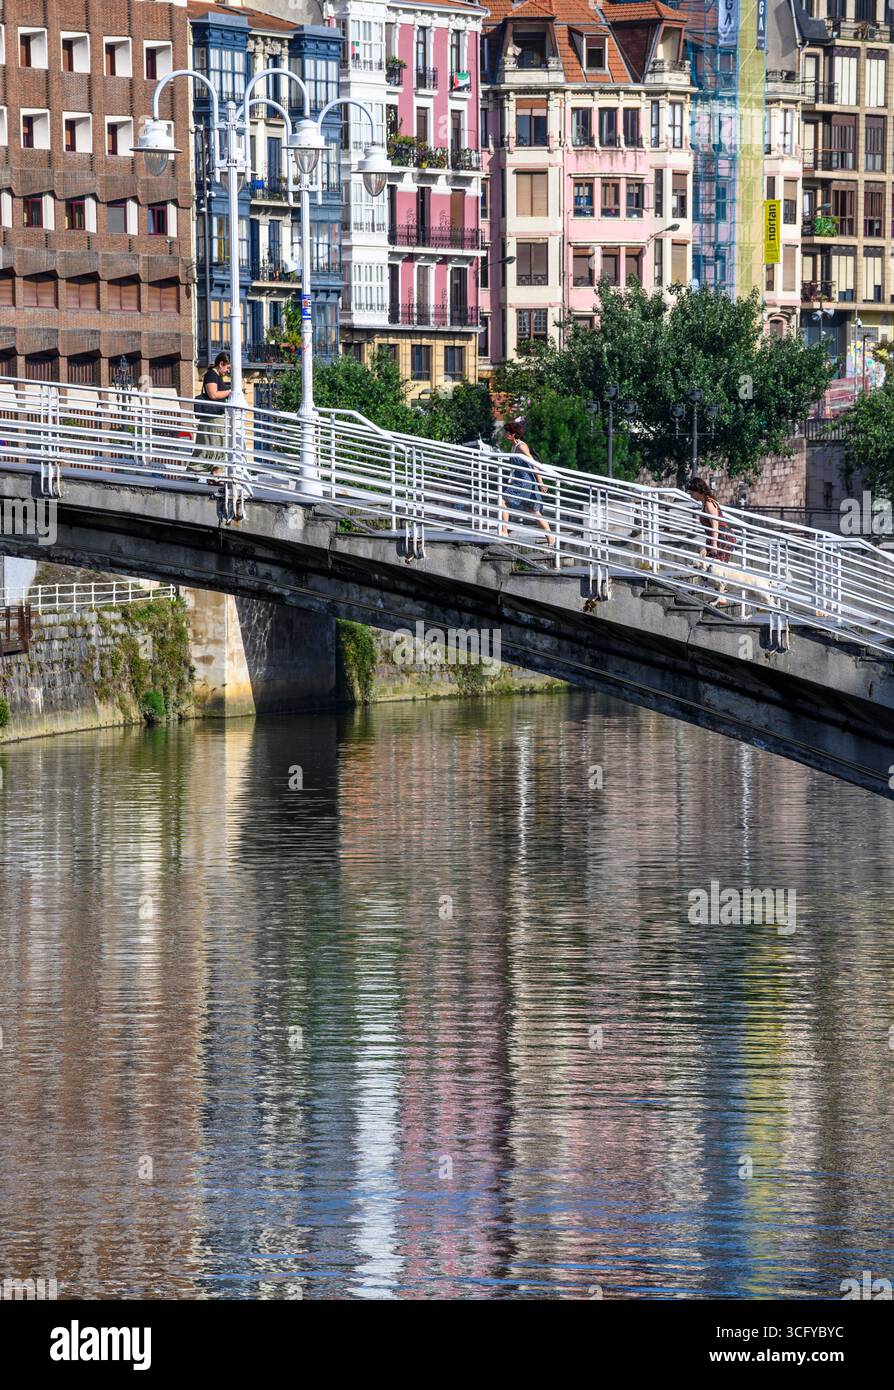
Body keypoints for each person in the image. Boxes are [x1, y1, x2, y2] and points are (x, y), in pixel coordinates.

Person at [499, 419, 554, 547]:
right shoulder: (514, 446)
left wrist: (541, 482)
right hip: (522, 481)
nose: (505, 434)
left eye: (507, 432)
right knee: (534, 511)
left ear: (513, 434)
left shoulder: (521, 446)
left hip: (525, 482)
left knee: (503, 500)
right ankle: (551, 538)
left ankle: (504, 531)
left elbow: (534, 464)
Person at [193, 353, 231, 474]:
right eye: (227, 367)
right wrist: (230, 391)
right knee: (214, 448)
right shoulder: (211, 375)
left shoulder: (216, 375)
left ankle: (215, 476)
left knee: (216, 449)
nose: (228, 371)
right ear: (221, 364)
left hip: (215, 420)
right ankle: (195, 474)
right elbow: (213, 394)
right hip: (212, 421)